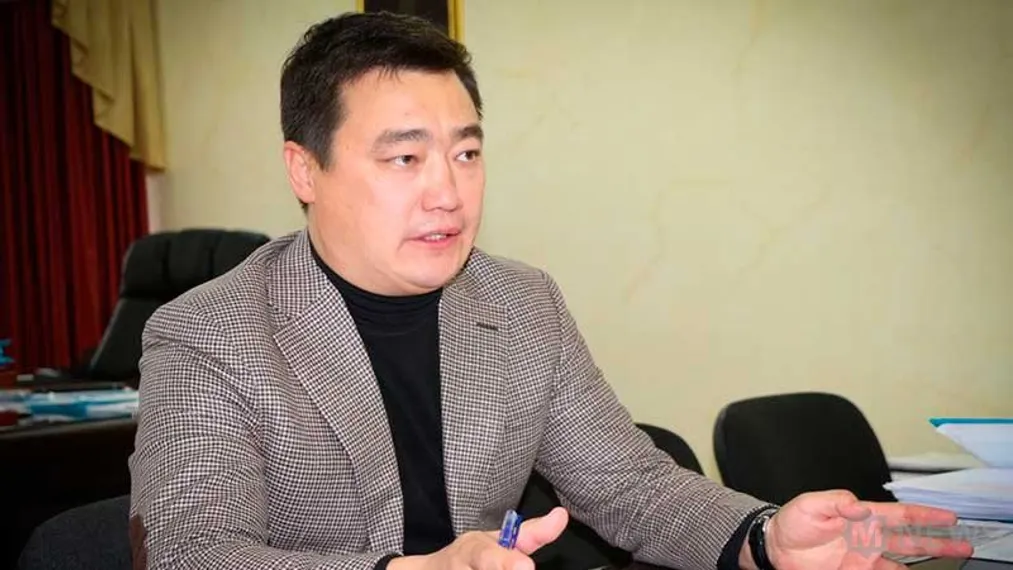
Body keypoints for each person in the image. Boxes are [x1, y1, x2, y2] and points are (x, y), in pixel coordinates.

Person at [128, 11, 973, 570]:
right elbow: (193, 552)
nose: (448, 192)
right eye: (404, 158)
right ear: (303, 170)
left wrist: (762, 537)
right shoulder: (208, 333)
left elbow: (630, 488)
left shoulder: (519, 304)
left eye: (466, 153)